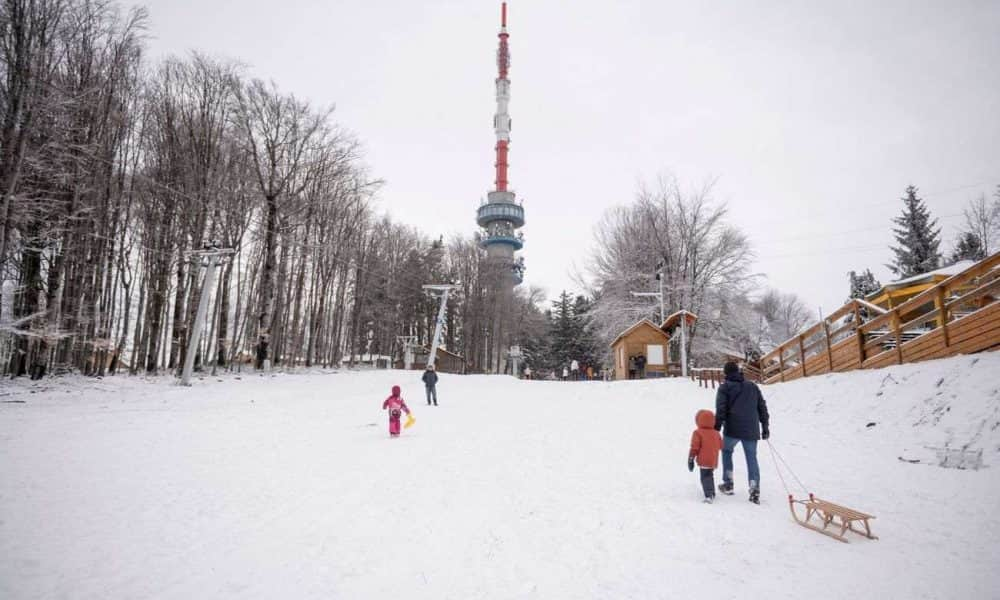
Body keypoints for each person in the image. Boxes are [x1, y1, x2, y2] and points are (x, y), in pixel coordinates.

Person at [714, 361, 770, 504]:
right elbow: (762, 407)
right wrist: (765, 426)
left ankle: (728, 483)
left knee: (726, 451)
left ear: (725, 373)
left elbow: (721, 409)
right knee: (751, 458)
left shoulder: (724, 388)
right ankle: (754, 488)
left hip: (732, 429)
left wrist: (716, 428)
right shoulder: (752, 386)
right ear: (738, 371)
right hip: (751, 429)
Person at [689, 409, 723, 503]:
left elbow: (694, 447)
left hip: (704, 460)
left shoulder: (698, 433)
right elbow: (721, 445)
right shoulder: (716, 433)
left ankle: (709, 495)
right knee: (710, 475)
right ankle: (712, 492)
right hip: (713, 460)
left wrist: (691, 458)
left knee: (705, 477)